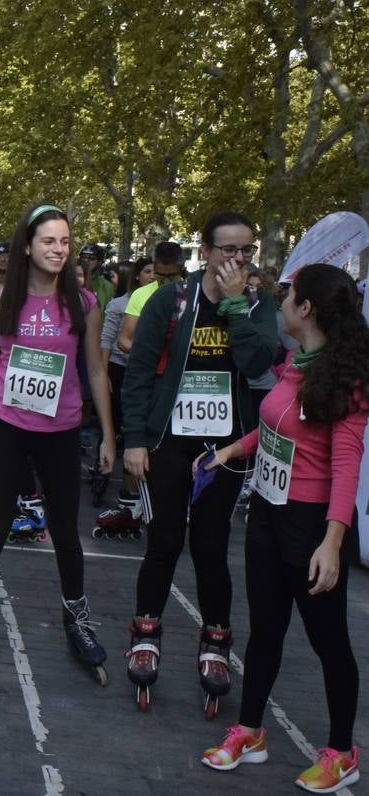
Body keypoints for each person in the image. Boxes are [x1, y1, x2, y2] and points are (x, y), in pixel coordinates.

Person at [198, 263, 366, 792]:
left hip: (310, 525)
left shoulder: (346, 380)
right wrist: (230, 448)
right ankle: (249, 732)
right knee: (265, 631)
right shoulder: (296, 361)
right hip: (267, 513)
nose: (282, 301)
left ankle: (342, 752)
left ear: (307, 308)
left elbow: (346, 465)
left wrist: (333, 542)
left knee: (329, 642)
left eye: (288, 295)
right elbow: (275, 427)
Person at [121, 212, 278, 711]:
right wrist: (135, 439)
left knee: (211, 545)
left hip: (225, 446)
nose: (237, 259)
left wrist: (234, 305)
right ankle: (146, 632)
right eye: (227, 250)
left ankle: (215, 640)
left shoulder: (255, 302)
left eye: (246, 251)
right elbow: (140, 370)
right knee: (164, 540)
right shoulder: (171, 299)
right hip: (170, 440)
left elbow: (259, 363)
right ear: (205, 251)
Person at [0, 203, 115, 683]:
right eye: (49, 241)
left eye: (65, 241)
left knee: (67, 533)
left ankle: (77, 618)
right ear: (28, 245)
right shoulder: (0, 298)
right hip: (6, 426)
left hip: (61, 432)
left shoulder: (83, 302)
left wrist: (108, 433)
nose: (58, 250)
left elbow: (96, 370)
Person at [93, 258, 144, 535]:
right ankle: (102, 474)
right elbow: (107, 341)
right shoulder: (118, 305)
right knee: (112, 426)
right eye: (147, 272)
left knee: (135, 434)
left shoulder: (164, 301)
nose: (152, 277)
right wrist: (103, 374)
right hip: (118, 370)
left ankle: (131, 499)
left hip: (146, 375)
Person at [116, 241, 185, 355]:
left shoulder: (193, 292)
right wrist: (150, 355)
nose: (166, 281)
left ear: (182, 269)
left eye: (172, 276)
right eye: (161, 275)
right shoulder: (140, 294)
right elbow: (124, 340)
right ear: (154, 267)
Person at [80, 243, 114, 312]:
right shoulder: (69, 280)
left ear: (99, 262)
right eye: (83, 257)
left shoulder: (107, 286)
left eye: (91, 258)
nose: (86, 261)